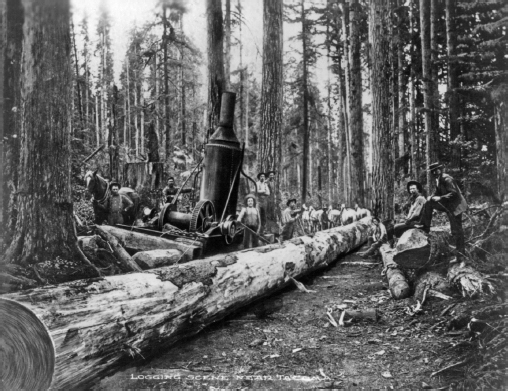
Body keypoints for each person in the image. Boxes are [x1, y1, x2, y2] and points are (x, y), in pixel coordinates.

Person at [416, 162, 468, 261]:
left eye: (437, 170)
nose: (435, 172)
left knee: (456, 231)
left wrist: (440, 198)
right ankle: (425, 226)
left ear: (440, 169)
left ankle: (461, 257)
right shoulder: (439, 179)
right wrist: (431, 197)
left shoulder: (447, 179)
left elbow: (454, 194)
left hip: (456, 206)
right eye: (433, 171)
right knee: (428, 203)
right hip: (448, 204)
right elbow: (437, 191)